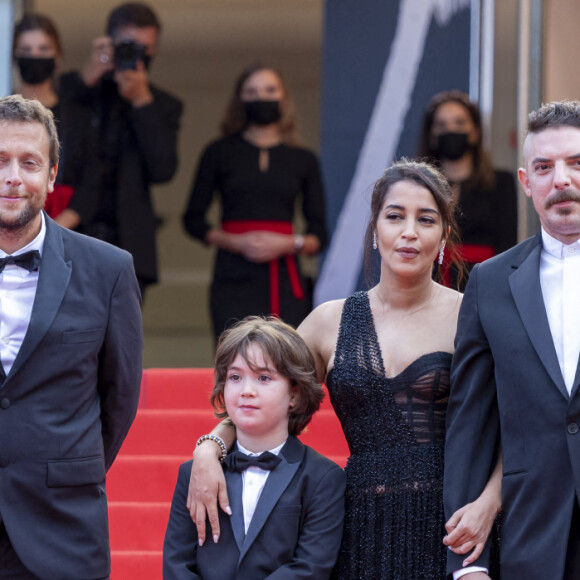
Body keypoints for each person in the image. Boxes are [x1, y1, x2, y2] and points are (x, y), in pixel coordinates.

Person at [187, 160, 502, 579]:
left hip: (455, 525)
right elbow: (267, 396)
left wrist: (489, 504)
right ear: (374, 230)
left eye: (425, 220)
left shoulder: (473, 316)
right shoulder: (328, 321)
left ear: (443, 234)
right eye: (395, 217)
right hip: (357, 524)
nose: (409, 231)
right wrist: (209, 447)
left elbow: (516, 426)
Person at [0, 95, 142, 579]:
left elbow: (119, 398)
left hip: (59, 530)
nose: (12, 177)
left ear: (52, 175)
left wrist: (62, 468)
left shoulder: (109, 269)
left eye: (29, 162)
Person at [444, 99, 580, 580]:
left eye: (576, 163)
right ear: (526, 183)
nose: (561, 179)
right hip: (534, 542)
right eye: (544, 167)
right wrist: (466, 566)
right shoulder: (490, 281)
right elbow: (469, 423)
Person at [163, 316, 345, 579]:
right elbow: (177, 564)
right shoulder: (194, 473)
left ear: (294, 394)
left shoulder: (324, 478)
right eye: (235, 377)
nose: (246, 390)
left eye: (263, 378)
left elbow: (310, 568)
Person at [183, 64, 327, 342]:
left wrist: (287, 244)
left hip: (284, 275)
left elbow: (319, 234)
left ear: (284, 99)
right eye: (252, 91)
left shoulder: (303, 159)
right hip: (233, 273)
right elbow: (193, 220)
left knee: (284, 357)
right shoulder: (219, 152)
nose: (261, 98)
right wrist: (235, 242)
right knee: (233, 353)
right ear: (240, 101)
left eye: (270, 90)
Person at [59, 2, 183, 295]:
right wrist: (88, 77)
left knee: (121, 336)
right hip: (72, 229)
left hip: (130, 240)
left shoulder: (162, 105)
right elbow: (51, 130)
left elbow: (164, 169)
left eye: (145, 47)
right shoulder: (76, 91)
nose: (137, 54)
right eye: (128, 45)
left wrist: (141, 102)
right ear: (109, 43)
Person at [417, 90, 518, 286]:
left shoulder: (501, 182)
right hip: (428, 285)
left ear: (474, 132)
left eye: (459, 123)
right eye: (442, 125)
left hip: (483, 285)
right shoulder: (419, 184)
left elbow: (508, 248)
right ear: (431, 135)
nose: (451, 130)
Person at [12, 13, 92, 227]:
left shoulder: (79, 119)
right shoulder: (3, 113)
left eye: (43, 49)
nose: (35, 57)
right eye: (26, 50)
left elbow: (91, 184)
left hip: (63, 234)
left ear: (57, 56)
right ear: (14, 56)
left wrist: (54, 230)